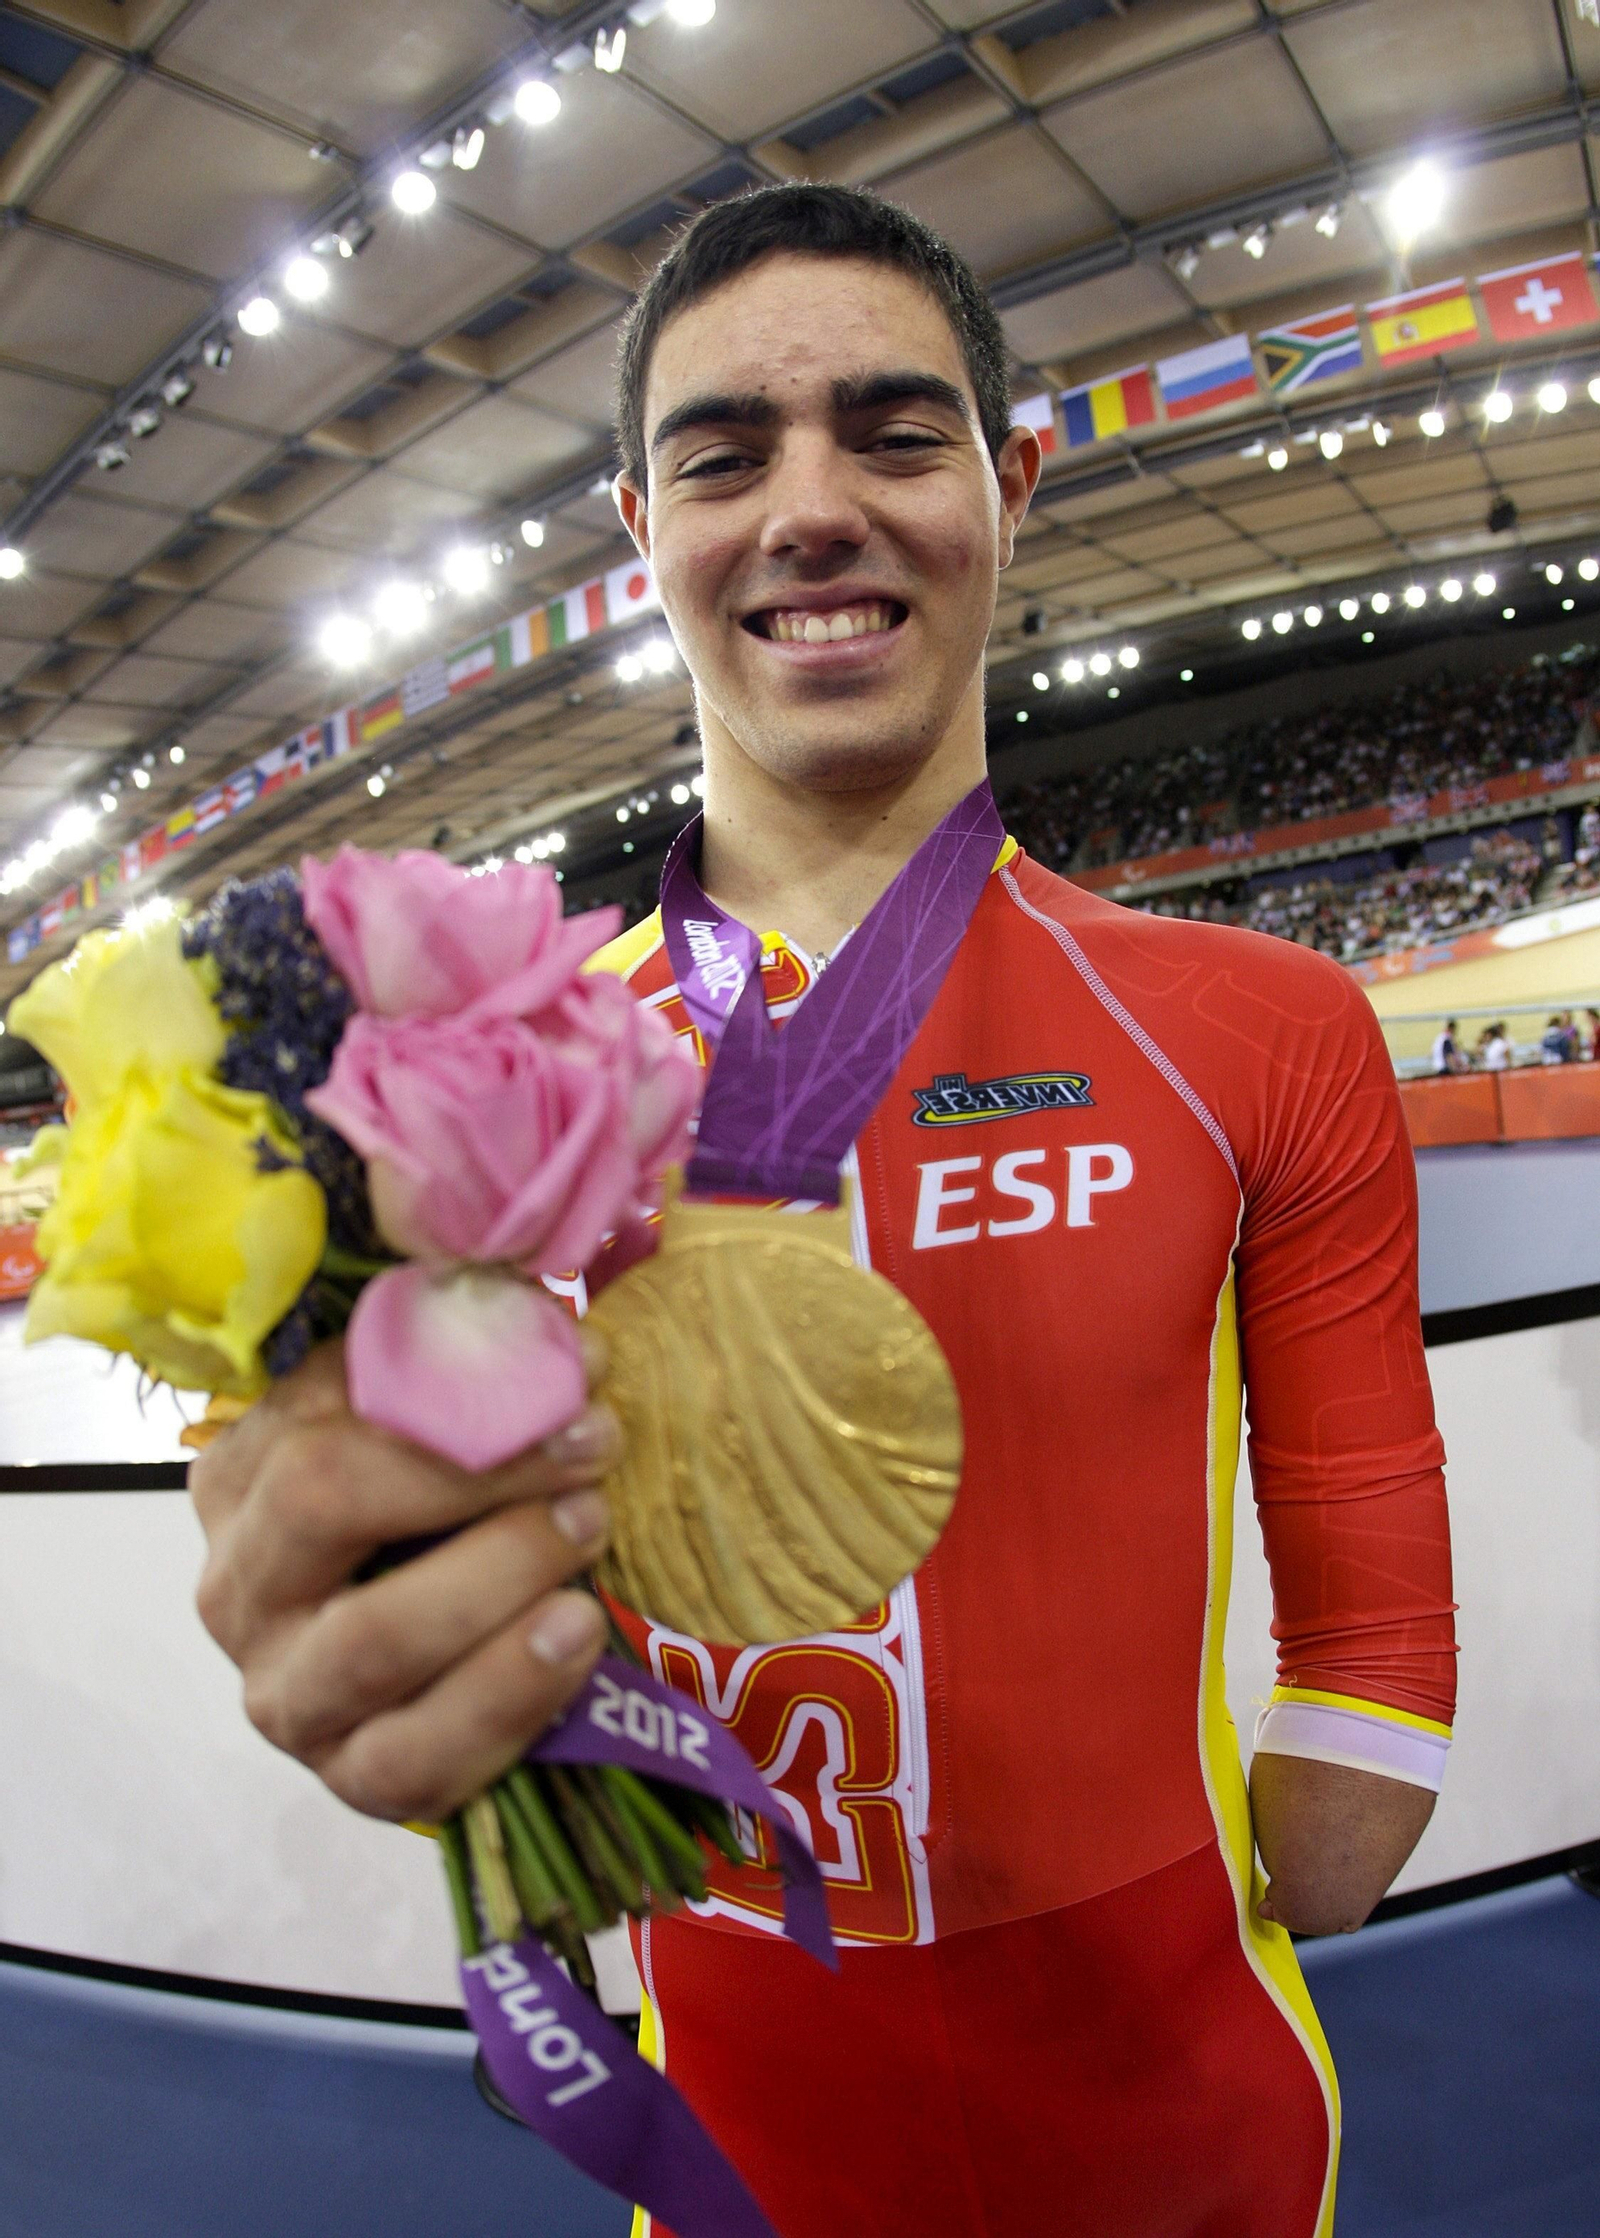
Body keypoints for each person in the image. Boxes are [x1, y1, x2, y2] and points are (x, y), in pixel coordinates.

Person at [190, 185, 1455, 2238]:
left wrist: (1310, 1828)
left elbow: (1370, 1585)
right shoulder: (460, 1097)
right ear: (638, 532)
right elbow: (362, 1559)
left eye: (890, 432)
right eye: (722, 457)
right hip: (739, 2161)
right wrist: (318, 1588)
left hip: (1193, 2133)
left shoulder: (1260, 1028)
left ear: (1009, 482)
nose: (808, 508)